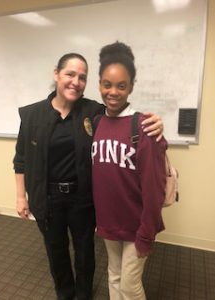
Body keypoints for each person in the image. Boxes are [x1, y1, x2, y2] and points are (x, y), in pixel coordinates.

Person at [13, 52, 164, 300]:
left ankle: (83, 295)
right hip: (47, 198)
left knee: (85, 252)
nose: (75, 82)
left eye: (82, 77)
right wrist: (21, 197)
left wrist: (156, 122)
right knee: (56, 251)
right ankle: (65, 293)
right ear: (56, 74)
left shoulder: (94, 111)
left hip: (82, 199)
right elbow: (20, 160)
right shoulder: (31, 115)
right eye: (70, 74)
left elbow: (124, 114)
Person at [92, 41, 167, 300]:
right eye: (107, 84)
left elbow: (154, 188)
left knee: (129, 286)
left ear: (131, 87)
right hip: (108, 222)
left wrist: (147, 232)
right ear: (99, 84)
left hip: (137, 225)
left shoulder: (144, 126)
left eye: (121, 86)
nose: (113, 92)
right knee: (113, 275)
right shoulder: (97, 121)